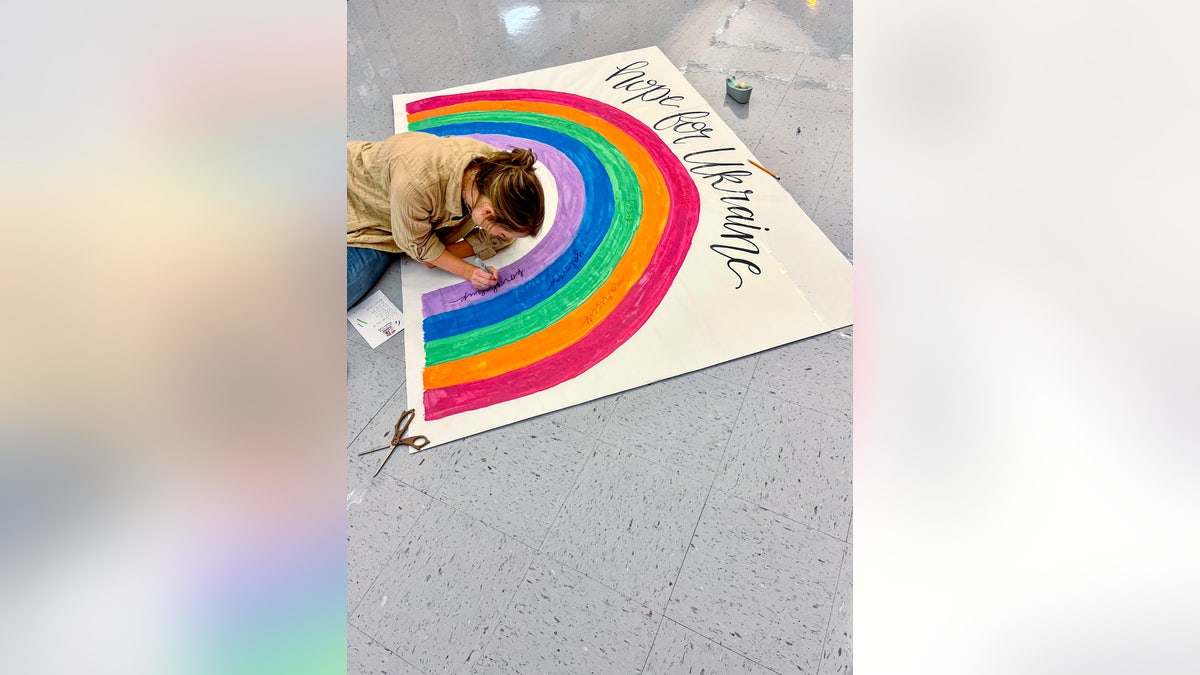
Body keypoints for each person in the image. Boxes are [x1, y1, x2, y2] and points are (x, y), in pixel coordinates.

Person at [346, 132, 545, 308]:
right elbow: (421, 249)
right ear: (486, 212)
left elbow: (505, 236)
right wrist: (466, 270)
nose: (504, 237)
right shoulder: (418, 186)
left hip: (401, 215)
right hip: (361, 208)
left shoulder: (496, 174)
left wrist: (441, 255)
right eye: (501, 232)